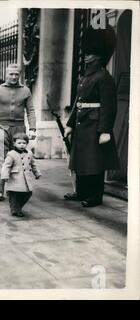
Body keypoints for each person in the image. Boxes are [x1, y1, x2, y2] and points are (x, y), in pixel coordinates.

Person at [64, 25, 119, 208]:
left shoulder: (104, 77)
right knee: (80, 159)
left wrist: (105, 130)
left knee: (94, 162)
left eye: (90, 54)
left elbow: (109, 106)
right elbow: (77, 103)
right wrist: (70, 123)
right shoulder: (85, 77)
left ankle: (95, 196)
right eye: (86, 54)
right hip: (82, 123)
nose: (86, 57)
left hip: (95, 125)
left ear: (99, 56)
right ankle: (81, 191)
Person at [0, 64, 37, 201]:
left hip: (19, 129)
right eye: (11, 74)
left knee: (17, 160)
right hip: (1, 128)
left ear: (19, 75)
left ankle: (15, 189)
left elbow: (31, 110)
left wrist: (33, 128)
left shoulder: (25, 91)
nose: (14, 77)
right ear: (6, 74)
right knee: (0, 160)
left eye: (17, 74)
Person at [1, 133, 41, 217]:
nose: (22, 145)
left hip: (26, 178)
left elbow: (33, 164)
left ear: (27, 143)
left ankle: (16, 208)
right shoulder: (11, 154)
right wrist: (5, 176)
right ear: (14, 143)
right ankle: (16, 210)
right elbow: (6, 166)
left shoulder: (29, 153)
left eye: (24, 143)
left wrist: (37, 173)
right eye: (19, 143)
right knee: (14, 195)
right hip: (15, 178)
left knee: (28, 193)